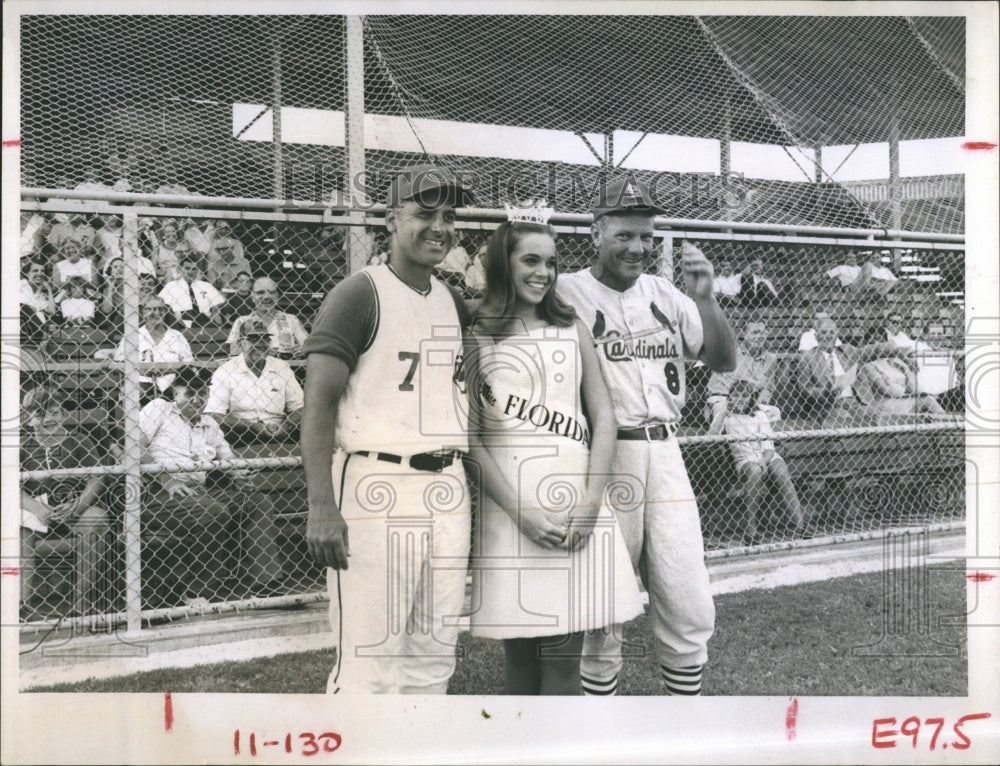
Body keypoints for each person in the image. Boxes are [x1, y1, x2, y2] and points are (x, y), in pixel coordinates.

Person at [557, 177, 738, 696]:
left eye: (647, 237)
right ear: (596, 232)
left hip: (665, 451)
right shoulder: (566, 290)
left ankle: (682, 725)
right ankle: (598, 735)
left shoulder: (667, 294)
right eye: (625, 235)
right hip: (600, 456)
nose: (638, 247)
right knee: (602, 606)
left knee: (687, 595)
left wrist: (706, 299)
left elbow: (723, 359)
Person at [301, 163, 475, 694]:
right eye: (425, 214)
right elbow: (317, 407)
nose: (439, 228)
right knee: (369, 665)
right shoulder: (359, 293)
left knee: (432, 658)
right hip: (377, 482)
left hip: (448, 485)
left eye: (449, 216)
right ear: (390, 219)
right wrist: (321, 505)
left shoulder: (450, 301)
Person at [465, 210, 642, 695]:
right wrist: (520, 512)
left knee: (563, 659)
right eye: (530, 260)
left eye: (551, 262)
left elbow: (604, 418)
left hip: (573, 509)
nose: (543, 273)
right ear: (504, 264)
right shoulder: (480, 334)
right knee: (520, 659)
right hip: (511, 511)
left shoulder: (571, 328)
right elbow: (472, 441)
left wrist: (590, 501)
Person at [139, 368, 282, 601]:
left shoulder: (209, 423)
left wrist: (239, 474)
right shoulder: (159, 408)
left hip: (196, 492)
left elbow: (227, 457)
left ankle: (265, 584)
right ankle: (196, 591)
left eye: (203, 393)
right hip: (156, 491)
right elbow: (133, 446)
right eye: (190, 393)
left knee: (256, 502)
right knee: (212, 511)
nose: (197, 399)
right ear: (176, 393)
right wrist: (167, 479)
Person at [20, 399, 111, 616]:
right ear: (29, 420)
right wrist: (36, 508)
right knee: (17, 527)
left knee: (96, 518)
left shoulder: (78, 440)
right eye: (40, 414)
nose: (49, 419)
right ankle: (21, 604)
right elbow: (8, 484)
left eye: (55, 412)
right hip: (38, 512)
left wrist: (78, 505)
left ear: (63, 415)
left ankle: (81, 603)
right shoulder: (23, 445)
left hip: (74, 509)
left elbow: (97, 477)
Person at [707, 379, 805, 544]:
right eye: (736, 395)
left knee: (780, 469)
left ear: (751, 398)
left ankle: (800, 525)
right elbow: (710, 436)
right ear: (730, 397)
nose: (740, 399)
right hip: (744, 460)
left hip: (766, 456)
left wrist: (764, 462)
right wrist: (723, 412)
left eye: (745, 395)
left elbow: (768, 446)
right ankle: (751, 529)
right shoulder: (726, 416)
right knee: (754, 471)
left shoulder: (759, 415)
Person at [204, 317, 304, 445]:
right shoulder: (225, 370)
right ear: (240, 344)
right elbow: (213, 413)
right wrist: (253, 427)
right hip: (241, 430)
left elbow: (301, 407)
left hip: (280, 427)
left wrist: (286, 425)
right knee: (220, 431)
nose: (260, 344)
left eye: (265, 339)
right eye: (253, 339)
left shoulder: (281, 367)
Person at [798, 316, 915, 425]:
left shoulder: (846, 351)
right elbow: (804, 388)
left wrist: (895, 349)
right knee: (843, 419)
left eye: (832, 332)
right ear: (816, 336)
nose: (828, 336)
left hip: (856, 402)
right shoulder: (808, 358)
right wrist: (825, 392)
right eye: (823, 332)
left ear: (836, 335)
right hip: (830, 405)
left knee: (878, 418)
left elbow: (872, 350)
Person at [111, 295, 194, 397]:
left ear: (165, 312)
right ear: (143, 312)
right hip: (140, 384)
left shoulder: (177, 336)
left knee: (185, 393)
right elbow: (118, 362)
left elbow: (188, 363)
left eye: (160, 309)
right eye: (149, 309)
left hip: (171, 385)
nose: (156, 313)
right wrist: (140, 369)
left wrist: (167, 369)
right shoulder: (132, 336)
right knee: (129, 392)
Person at [704, 319, 778, 429]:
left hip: (749, 401)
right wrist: (757, 385)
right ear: (745, 335)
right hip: (723, 398)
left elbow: (768, 387)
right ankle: (716, 442)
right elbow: (735, 382)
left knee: (773, 412)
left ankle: (760, 442)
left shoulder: (770, 358)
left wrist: (757, 404)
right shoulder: (730, 353)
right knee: (723, 410)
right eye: (755, 332)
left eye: (763, 332)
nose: (760, 336)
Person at [226, 278, 308, 358]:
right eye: (260, 292)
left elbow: (307, 344)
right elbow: (234, 353)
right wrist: (259, 351)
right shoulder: (242, 321)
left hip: (286, 367)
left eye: (271, 292)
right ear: (252, 297)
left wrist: (302, 349)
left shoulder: (292, 320)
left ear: (277, 296)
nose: (266, 296)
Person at [854, 355, 946, 419]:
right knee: (928, 400)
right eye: (874, 342)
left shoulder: (896, 362)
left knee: (929, 400)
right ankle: (947, 425)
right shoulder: (869, 366)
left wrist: (907, 372)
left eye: (882, 341)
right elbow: (886, 390)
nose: (878, 344)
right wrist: (914, 395)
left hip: (904, 400)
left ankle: (945, 425)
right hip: (886, 404)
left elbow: (913, 387)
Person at [159, 257, 225, 327]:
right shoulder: (171, 286)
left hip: (206, 322)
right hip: (180, 323)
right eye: (187, 268)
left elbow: (219, 303)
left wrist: (215, 312)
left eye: (194, 269)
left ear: (198, 271)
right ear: (180, 269)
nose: (190, 272)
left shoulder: (206, 286)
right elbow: (162, 305)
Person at [20, 259, 58, 340]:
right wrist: (29, 308)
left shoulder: (40, 294)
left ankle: (44, 337)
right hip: (22, 327)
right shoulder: (19, 285)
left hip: (38, 328)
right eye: (35, 270)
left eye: (42, 271)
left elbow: (52, 311)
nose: (40, 274)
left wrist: (49, 290)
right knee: (24, 307)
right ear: (27, 273)